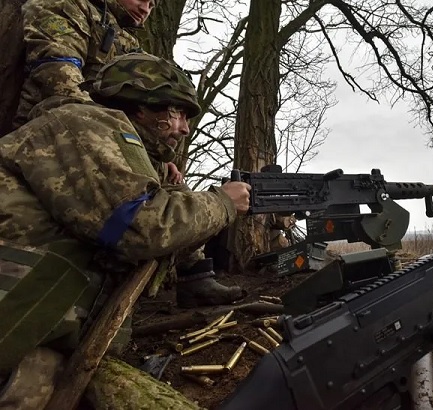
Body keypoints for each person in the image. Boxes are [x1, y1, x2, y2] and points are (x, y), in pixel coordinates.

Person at [0, 53, 251, 408]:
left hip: (36, 329)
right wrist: (222, 203)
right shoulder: (82, 124)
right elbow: (140, 227)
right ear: (142, 105)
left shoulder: (126, 150)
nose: (184, 128)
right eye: (178, 113)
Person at [14, 0, 183, 183]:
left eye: (151, 5)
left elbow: (136, 112)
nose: (145, 9)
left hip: (92, 150)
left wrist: (154, 156)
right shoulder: (68, 5)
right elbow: (59, 80)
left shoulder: (127, 42)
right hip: (42, 140)